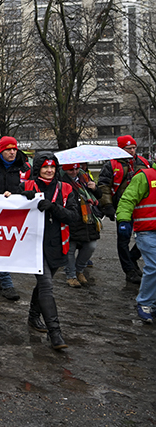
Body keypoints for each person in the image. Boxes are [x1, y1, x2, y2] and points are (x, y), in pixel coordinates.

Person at [17, 152, 79, 349]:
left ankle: (33, 316)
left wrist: (53, 207)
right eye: (45, 167)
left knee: (44, 283)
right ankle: (55, 333)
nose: (49, 170)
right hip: (33, 244)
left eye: (52, 167)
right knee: (46, 285)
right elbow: (9, 207)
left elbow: (73, 216)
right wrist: (21, 198)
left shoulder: (66, 188)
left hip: (56, 245)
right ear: (38, 168)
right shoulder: (27, 185)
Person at [0, 136, 29, 301]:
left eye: (14, 149)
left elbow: (31, 187)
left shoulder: (25, 168)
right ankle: (6, 283)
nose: (12, 152)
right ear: (1, 151)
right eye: (8, 149)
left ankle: (0, 275)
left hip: (14, 215)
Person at [99, 135, 150, 284]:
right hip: (122, 208)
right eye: (128, 148)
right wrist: (107, 205)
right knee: (123, 239)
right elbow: (104, 186)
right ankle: (129, 271)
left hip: (141, 208)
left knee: (144, 236)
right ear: (121, 149)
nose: (132, 151)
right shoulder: (111, 165)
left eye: (134, 148)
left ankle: (132, 258)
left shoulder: (144, 162)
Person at [116, 162, 156, 323]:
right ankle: (145, 303)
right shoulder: (145, 176)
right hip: (147, 231)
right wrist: (124, 220)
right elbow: (127, 199)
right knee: (154, 265)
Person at [60, 163, 102, 288]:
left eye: (76, 169)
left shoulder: (85, 177)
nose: (74, 172)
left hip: (87, 220)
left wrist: (94, 188)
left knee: (90, 246)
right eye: (70, 170)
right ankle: (71, 275)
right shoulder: (60, 181)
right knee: (70, 249)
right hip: (71, 219)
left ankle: (79, 270)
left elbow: (98, 196)